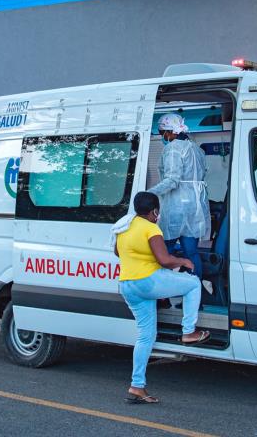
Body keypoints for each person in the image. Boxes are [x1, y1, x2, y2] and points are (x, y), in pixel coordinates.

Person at [113, 192, 210, 404]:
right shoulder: (151, 228)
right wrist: (184, 261)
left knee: (146, 336)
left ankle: (137, 386)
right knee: (193, 284)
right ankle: (188, 332)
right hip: (148, 281)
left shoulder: (125, 226)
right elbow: (165, 260)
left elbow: (117, 253)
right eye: (158, 211)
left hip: (127, 284)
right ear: (155, 211)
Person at [147, 114, 210, 285]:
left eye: (162, 133)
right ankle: (196, 296)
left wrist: (148, 194)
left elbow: (172, 180)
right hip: (195, 208)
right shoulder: (196, 148)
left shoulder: (174, 148)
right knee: (192, 252)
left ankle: (162, 296)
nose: (162, 137)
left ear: (170, 132)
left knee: (164, 253)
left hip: (176, 207)